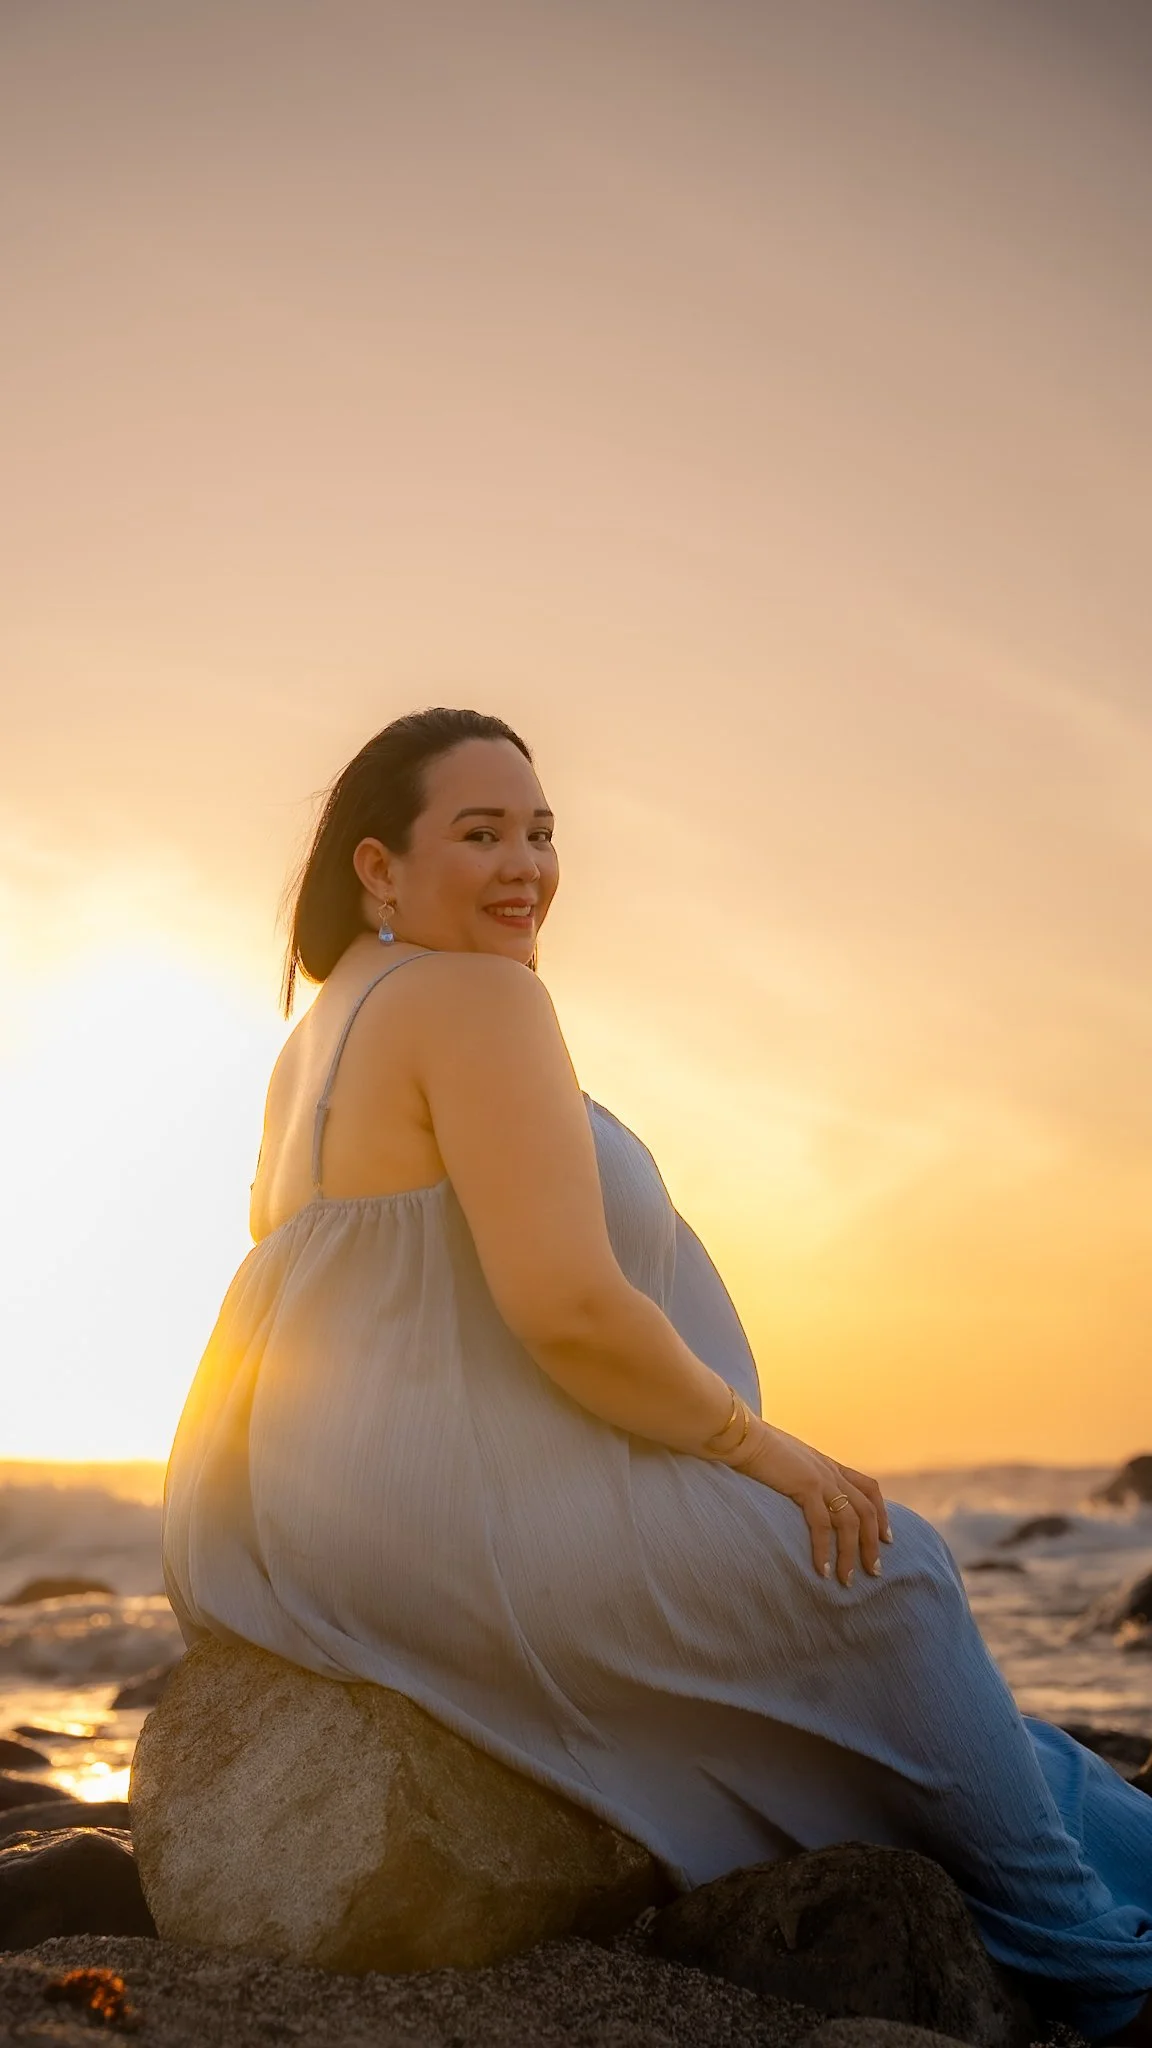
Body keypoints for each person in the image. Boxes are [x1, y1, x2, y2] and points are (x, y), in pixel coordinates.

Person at [162, 707, 1152, 2043]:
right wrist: (762, 1448)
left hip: (322, 1526)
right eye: (481, 833)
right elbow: (564, 1308)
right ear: (378, 869)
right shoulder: (478, 998)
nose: (526, 866)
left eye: (542, 833)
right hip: (452, 1519)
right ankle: (1104, 1969)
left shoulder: (320, 1036)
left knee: (1000, 1741)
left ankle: (1104, 1861)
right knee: (897, 1579)